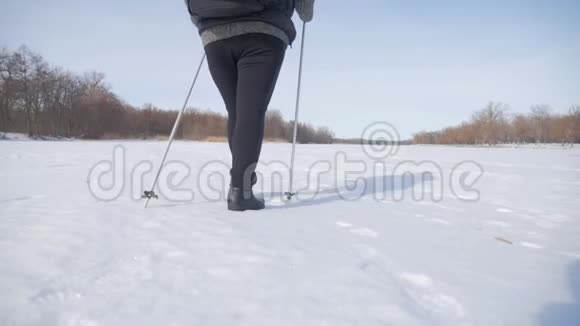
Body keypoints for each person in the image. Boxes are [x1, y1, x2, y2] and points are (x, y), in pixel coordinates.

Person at [185, 0, 314, 211]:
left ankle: (242, 183)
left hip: (214, 35)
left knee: (236, 112)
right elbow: (306, 13)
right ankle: (241, 191)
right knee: (250, 112)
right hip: (263, 32)